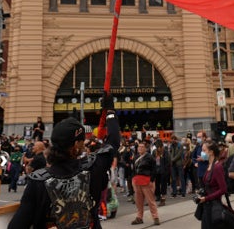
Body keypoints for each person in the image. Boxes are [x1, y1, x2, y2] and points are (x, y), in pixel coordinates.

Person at [8, 94, 120, 229]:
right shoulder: (92, 167)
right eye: (81, 141)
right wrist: (110, 112)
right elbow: (113, 142)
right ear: (75, 145)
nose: (84, 144)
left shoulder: (37, 181)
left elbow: (17, 225)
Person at [195, 140, 227, 229]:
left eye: (204, 150)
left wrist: (206, 198)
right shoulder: (210, 165)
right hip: (207, 206)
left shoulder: (217, 167)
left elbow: (223, 189)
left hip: (213, 207)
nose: (202, 153)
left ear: (211, 152)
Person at [131, 140, 160, 225]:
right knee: (138, 201)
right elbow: (133, 169)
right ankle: (139, 217)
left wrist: (151, 180)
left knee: (151, 201)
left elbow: (154, 169)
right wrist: (133, 179)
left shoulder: (150, 157)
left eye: (142, 147)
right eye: (139, 147)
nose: (140, 148)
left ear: (146, 148)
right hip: (137, 181)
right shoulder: (135, 157)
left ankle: (155, 217)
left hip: (147, 181)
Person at [153, 138, 171, 206]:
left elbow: (168, 162)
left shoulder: (165, 152)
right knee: (156, 185)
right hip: (156, 171)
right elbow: (152, 160)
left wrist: (166, 171)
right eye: (157, 147)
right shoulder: (154, 152)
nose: (158, 148)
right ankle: (157, 196)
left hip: (163, 172)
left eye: (159, 146)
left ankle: (163, 199)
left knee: (163, 186)